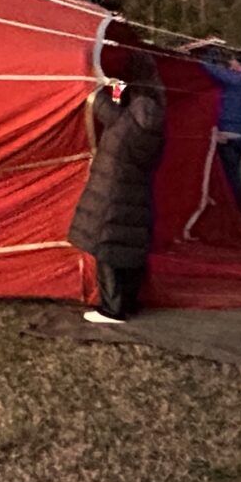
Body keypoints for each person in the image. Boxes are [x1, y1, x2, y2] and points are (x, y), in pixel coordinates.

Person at [71, 49, 166, 323]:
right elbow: (120, 112)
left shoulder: (135, 112)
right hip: (134, 188)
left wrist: (93, 82)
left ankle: (112, 309)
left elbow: (106, 111)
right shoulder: (152, 107)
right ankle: (129, 302)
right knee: (128, 248)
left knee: (107, 247)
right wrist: (117, 88)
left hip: (114, 188)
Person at [182, 37, 241, 208]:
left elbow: (212, 70)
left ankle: (235, 213)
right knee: (231, 176)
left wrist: (204, 53)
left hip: (229, 136)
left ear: (239, 64)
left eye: (233, 61)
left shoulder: (238, 81)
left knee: (230, 178)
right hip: (240, 136)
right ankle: (233, 210)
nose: (230, 64)